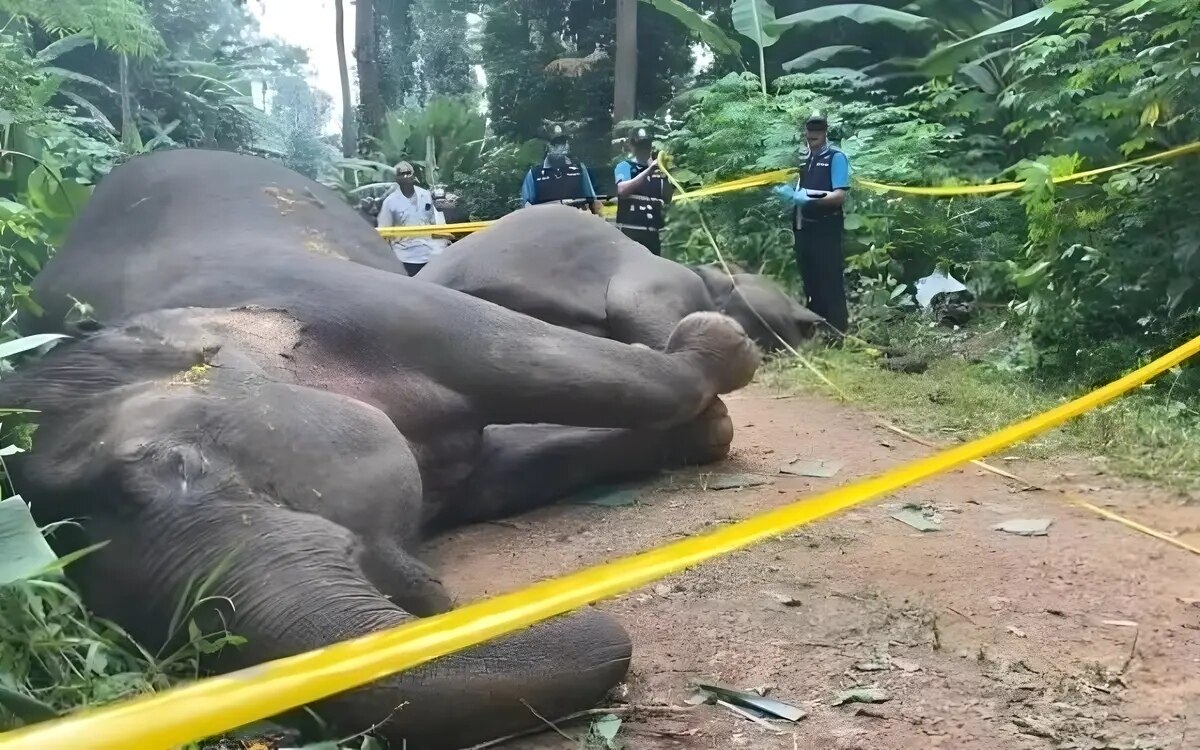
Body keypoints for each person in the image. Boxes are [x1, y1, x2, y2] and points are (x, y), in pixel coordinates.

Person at [773, 115, 851, 338]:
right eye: (809, 131)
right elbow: (800, 192)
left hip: (825, 230)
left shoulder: (836, 158)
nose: (812, 135)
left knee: (829, 282)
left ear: (825, 132)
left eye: (817, 131)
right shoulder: (806, 161)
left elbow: (838, 196)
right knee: (811, 282)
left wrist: (808, 199)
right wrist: (790, 197)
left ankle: (836, 333)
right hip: (804, 231)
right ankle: (816, 330)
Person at [613, 127, 673, 255]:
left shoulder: (658, 171)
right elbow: (622, 190)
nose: (643, 149)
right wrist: (648, 171)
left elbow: (667, 198)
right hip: (630, 233)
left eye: (646, 145)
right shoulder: (625, 166)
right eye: (639, 145)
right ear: (632, 146)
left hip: (652, 234)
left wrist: (666, 173)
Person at [519, 124, 602, 215]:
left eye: (564, 142)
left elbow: (592, 200)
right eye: (556, 144)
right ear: (547, 146)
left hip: (576, 224)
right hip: (547, 225)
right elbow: (526, 206)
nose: (562, 147)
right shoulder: (534, 174)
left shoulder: (579, 169)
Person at [377, 160, 440, 276]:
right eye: (401, 174)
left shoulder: (425, 194)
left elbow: (433, 224)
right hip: (405, 258)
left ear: (413, 176)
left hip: (429, 255)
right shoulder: (390, 202)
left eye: (408, 173)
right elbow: (383, 234)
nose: (405, 177)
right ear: (396, 179)